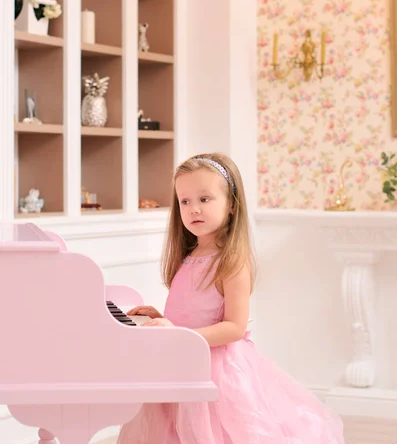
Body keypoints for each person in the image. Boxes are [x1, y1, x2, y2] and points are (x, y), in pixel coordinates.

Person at [118, 153, 345, 444]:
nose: (193, 209)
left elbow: (234, 328)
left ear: (232, 206)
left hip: (216, 371)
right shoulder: (188, 256)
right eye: (184, 202)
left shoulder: (232, 262)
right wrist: (163, 319)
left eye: (205, 199)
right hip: (181, 360)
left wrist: (178, 334)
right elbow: (192, 311)